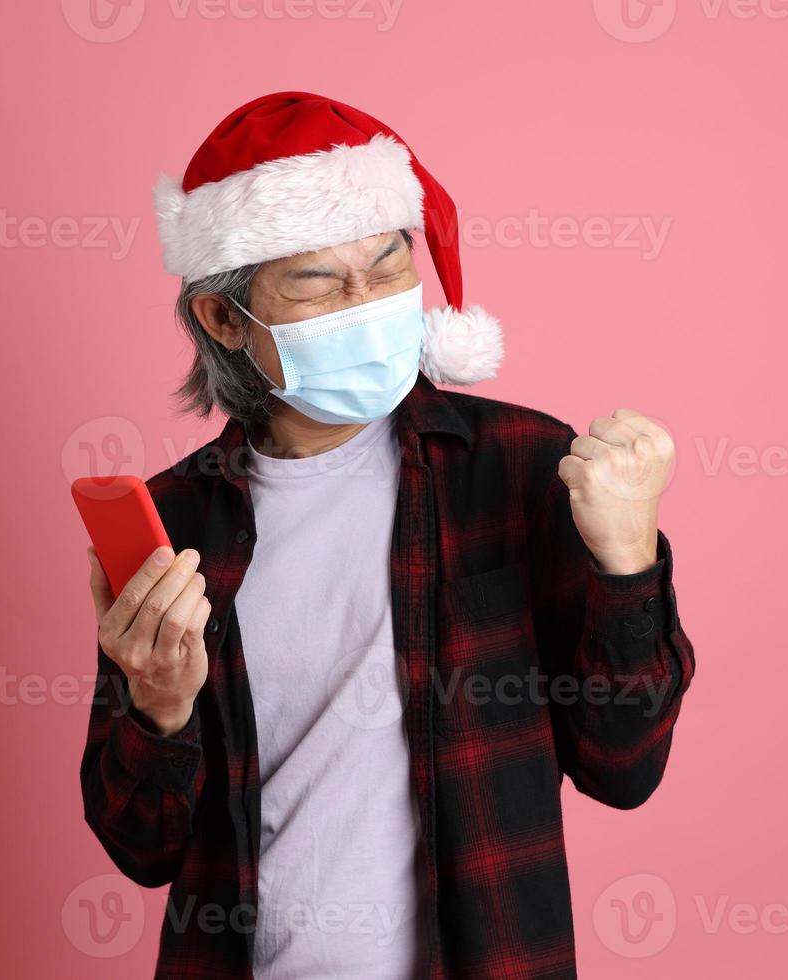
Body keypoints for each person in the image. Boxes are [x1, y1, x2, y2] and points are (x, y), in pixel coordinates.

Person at [79, 91, 696, 979]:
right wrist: (159, 705)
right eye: (318, 280)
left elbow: (623, 769)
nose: (365, 301)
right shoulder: (177, 523)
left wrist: (629, 561)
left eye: (387, 262)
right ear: (225, 319)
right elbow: (143, 848)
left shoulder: (521, 468)